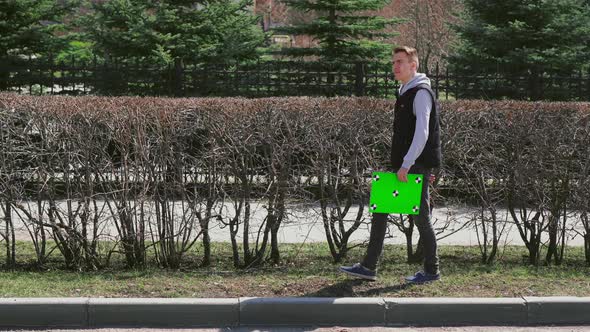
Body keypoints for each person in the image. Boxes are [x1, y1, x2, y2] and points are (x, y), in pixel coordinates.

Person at [339, 46, 442, 283]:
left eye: (400, 62)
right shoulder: (405, 90)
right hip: (407, 166)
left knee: (421, 218)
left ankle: (431, 271)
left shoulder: (421, 93)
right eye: (393, 62)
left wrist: (407, 164)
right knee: (381, 208)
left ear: (413, 65)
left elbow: (422, 133)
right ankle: (368, 267)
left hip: (414, 166)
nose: (395, 66)